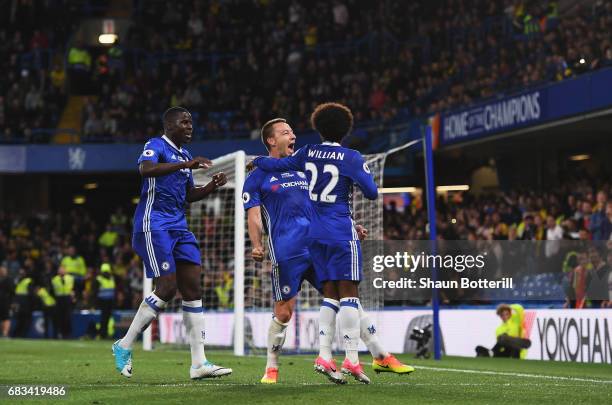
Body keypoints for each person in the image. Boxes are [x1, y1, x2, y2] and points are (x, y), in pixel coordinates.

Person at [252, 103, 415, 384]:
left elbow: (295, 178)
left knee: (336, 296)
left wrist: (257, 160)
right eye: (285, 131)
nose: (292, 135)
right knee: (329, 300)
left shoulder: (305, 158)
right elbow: (372, 193)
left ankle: (359, 355)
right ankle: (340, 360)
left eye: (293, 131)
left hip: (314, 239)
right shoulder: (347, 157)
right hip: (310, 242)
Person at [112, 106, 231, 380]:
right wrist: (184, 165)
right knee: (167, 286)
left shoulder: (185, 155)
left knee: (193, 288)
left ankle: (199, 363)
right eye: (184, 122)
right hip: (154, 224)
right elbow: (146, 169)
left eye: (191, 122)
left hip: (179, 227)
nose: (190, 126)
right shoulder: (156, 145)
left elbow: (189, 195)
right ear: (169, 126)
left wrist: (212, 185)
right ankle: (124, 344)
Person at [51, 266, 74, 339]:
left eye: (63, 269)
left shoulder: (70, 278)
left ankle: (67, 334)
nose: (62, 271)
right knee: (59, 317)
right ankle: (59, 334)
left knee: (67, 317)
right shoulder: (54, 279)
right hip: (59, 298)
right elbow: (52, 290)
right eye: (60, 270)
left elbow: (73, 288)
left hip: (67, 298)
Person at [95, 263, 115, 339]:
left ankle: (105, 333)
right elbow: (95, 292)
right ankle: (102, 334)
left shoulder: (112, 279)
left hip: (110, 302)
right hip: (102, 302)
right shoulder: (98, 280)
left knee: (107, 318)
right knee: (103, 319)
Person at [12, 270, 34, 337]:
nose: (21, 274)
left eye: (22, 272)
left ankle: (22, 335)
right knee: (20, 320)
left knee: (24, 320)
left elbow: (31, 294)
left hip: (26, 303)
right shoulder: (17, 280)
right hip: (19, 303)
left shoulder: (28, 281)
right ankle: (18, 334)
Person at [0, 266, 14, 337]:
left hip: (6, 302)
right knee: (2, 318)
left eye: (3, 270)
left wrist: (11, 302)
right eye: (1, 270)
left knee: (6, 318)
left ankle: (5, 334)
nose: (2, 271)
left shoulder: (9, 279)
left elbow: (12, 292)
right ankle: (2, 333)